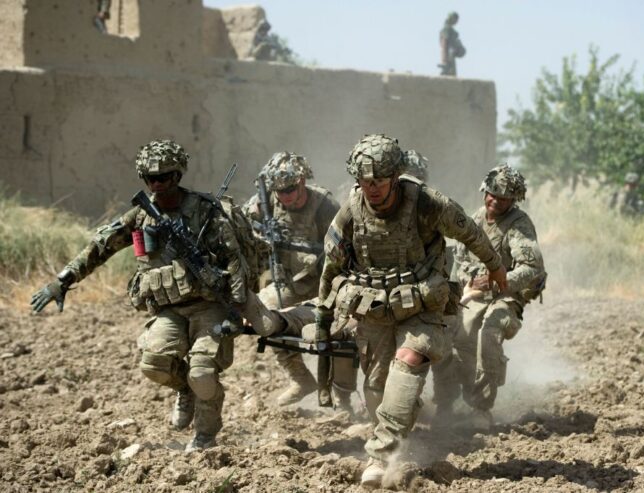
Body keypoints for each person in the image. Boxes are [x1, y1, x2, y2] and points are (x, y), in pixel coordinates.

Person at [30, 139, 284, 451]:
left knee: (203, 370)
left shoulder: (205, 213)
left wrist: (237, 308)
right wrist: (63, 281)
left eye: (164, 177)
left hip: (209, 306)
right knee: (154, 364)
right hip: (170, 309)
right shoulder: (140, 217)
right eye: (150, 179)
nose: (157, 184)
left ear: (177, 176)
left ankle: (205, 435)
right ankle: (186, 390)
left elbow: (234, 262)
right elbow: (100, 246)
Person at [314, 134, 507, 487]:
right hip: (374, 310)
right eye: (365, 182)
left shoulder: (427, 204)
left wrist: (495, 268)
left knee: (409, 359)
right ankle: (400, 424)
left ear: (395, 177)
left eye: (379, 181)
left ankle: (380, 456)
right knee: (376, 390)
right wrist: (324, 315)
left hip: (424, 306)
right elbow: (331, 263)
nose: (371, 189)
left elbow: (472, 233)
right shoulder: (351, 210)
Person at [432, 165, 546, 430]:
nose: (495, 201)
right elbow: (459, 258)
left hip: (506, 299)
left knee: (489, 335)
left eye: (504, 198)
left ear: (514, 200)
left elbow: (532, 268)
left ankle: (481, 408)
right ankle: (445, 404)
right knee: (452, 337)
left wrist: (497, 283)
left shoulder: (519, 225)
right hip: (473, 297)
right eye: (492, 194)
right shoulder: (476, 219)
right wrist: (467, 284)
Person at [243, 152, 347, 406]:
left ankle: (343, 393)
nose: (285, 196)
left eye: (290, 189)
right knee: (263, 316)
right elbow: (240, 230)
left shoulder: (324, 206)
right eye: (279, 191)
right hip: (288, 283)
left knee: (339, 333)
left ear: (302, 181)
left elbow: (344, 250)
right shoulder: (264, 204)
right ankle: (301, 379)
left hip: (324, 283)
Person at [439, 12, 466, 76]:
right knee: (449, 73)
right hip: (449, 54)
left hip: (452, 54)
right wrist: (444, 60)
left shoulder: (450, 29)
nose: (456, 21)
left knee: (452, 74)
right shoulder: (446, 29)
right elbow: (444, 44)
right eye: (455, 19)